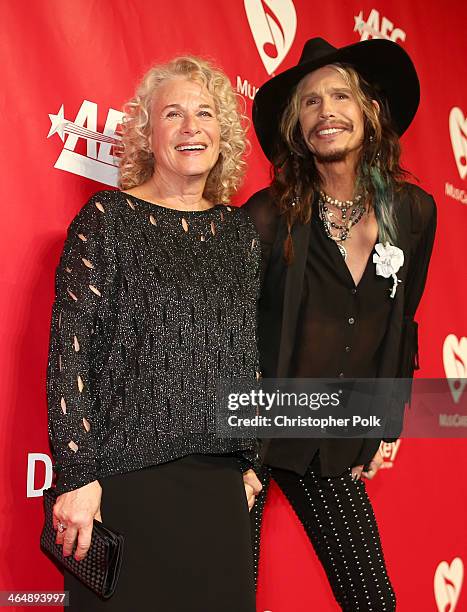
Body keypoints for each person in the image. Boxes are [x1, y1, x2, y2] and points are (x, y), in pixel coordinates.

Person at [46, 55, 262, 612]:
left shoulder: (239, 234)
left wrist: (251, 462)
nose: (192, 127)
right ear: (147, 134)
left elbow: (244, 355)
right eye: (173, 114)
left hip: (219, 489)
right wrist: (77, 477)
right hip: (120, 488)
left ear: (224, 133)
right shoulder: (108, 220)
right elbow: (69, 357)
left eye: (205, 113)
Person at [244, 37, 436, 611]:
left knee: (373, 601)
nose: (325, 111)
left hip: (331, 439)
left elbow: (405, 320)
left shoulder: (414, 211)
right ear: (295, 126)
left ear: (370, 110)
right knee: (225, 593)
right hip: (248, 436)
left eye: (340, 96)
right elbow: (231, 331)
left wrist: (389, 417)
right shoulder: (267, 212)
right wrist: (233, 449)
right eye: (309, 102)